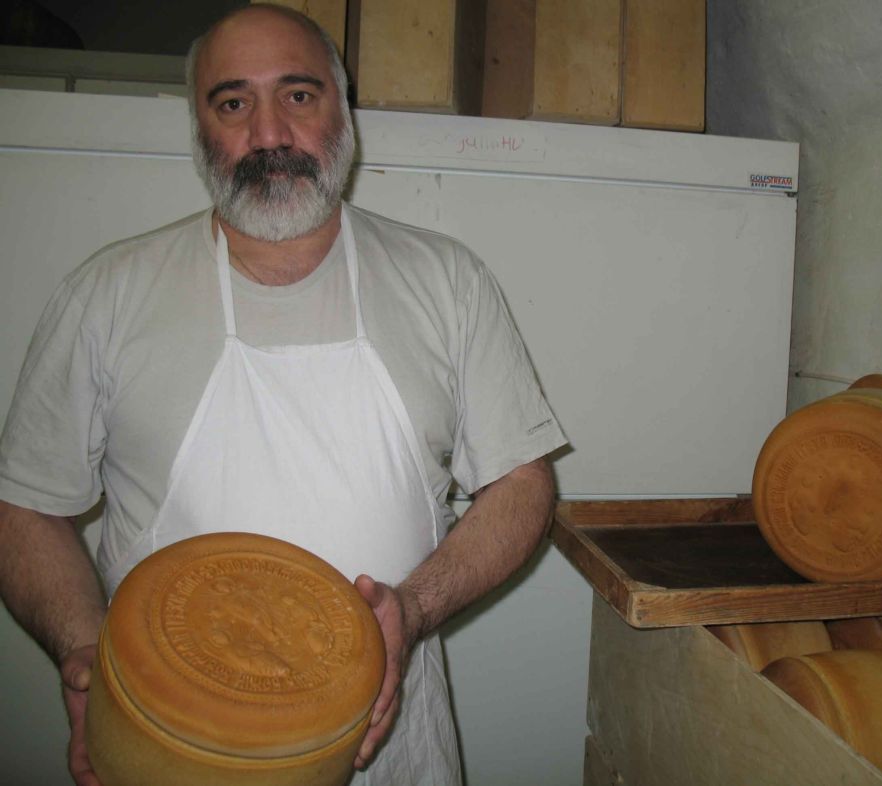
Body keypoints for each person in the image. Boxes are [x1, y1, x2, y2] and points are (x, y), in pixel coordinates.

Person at [0, 5, 567, 785]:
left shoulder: (448, 282)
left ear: (345, 111)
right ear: (199, 127)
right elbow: (25, 507)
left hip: (394, 744)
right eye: (233, 103)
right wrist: (83, 648)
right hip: (172, 747)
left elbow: (523, 484)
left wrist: (413, 609)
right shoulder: (106, 297)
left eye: (298, 95)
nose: (268, 134)